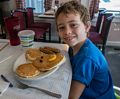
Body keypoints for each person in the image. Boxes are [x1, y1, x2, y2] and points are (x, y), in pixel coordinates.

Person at [55, 1, 116, 99]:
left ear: (87, 27)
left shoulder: (87, 58)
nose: (67, 32)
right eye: (62, 27)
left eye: (73, 25)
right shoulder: (75, 47)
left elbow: (72, 97)